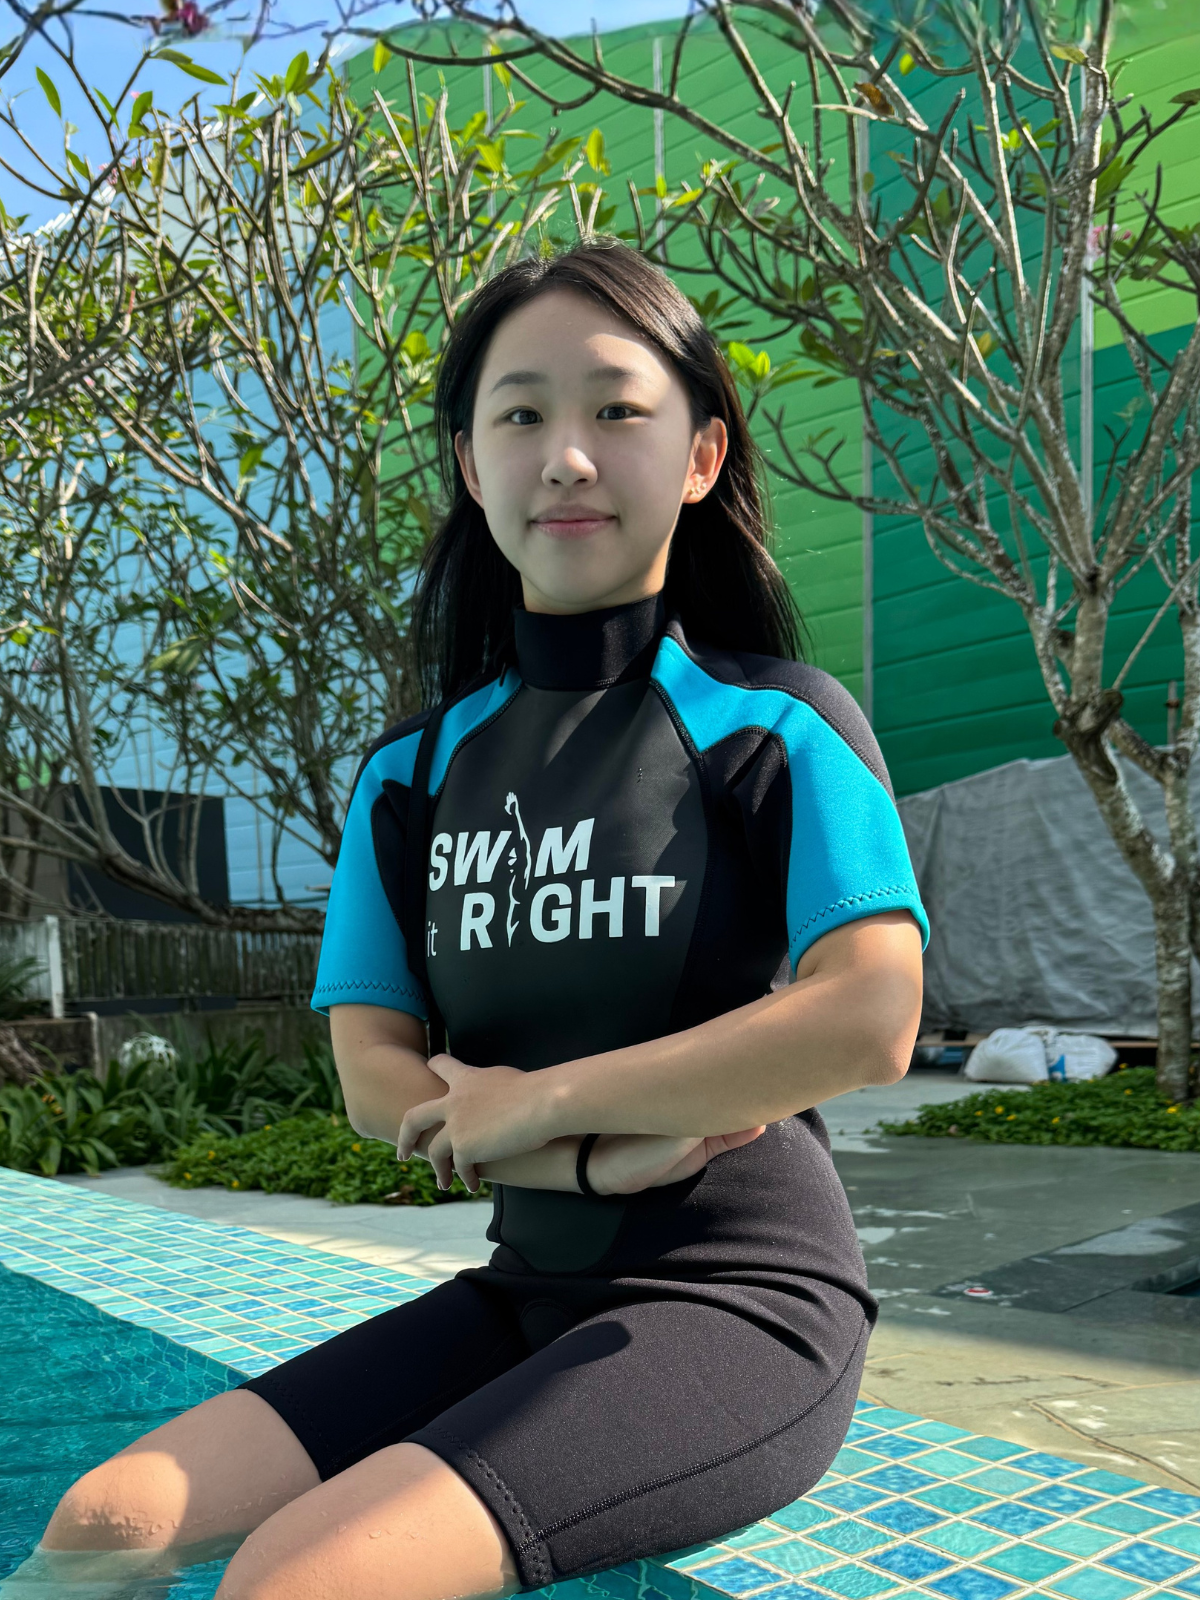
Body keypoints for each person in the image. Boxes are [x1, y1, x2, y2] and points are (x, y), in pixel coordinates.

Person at [35, 239, 927, 1600]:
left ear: (699, 454)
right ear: (470, 461)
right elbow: (372, 1070)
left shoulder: (776, 725)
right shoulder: (414, 772)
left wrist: (540, 1101)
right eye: (521, 415)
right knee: (106, 1522)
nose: (566, 456)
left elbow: (870, 1014)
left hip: (739, 1299)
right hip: (526, 1289)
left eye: (617, 409)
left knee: (299, 1580)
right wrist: (579, 1159)